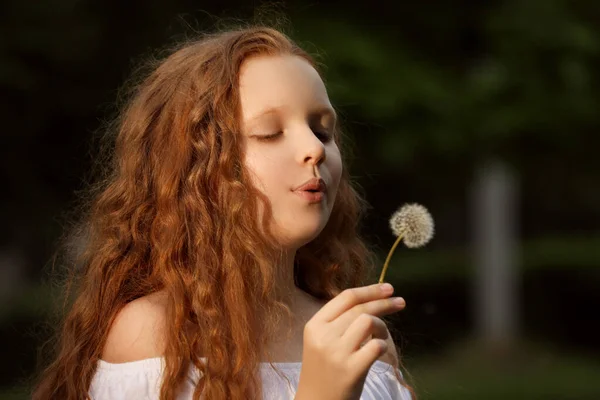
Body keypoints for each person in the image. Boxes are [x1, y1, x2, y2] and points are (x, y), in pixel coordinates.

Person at [31, 25, 414, 400]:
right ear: (195, 168)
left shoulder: (350, 332)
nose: (314, 149)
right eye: (269, 132)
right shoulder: (155, 335)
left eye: (322, 130)